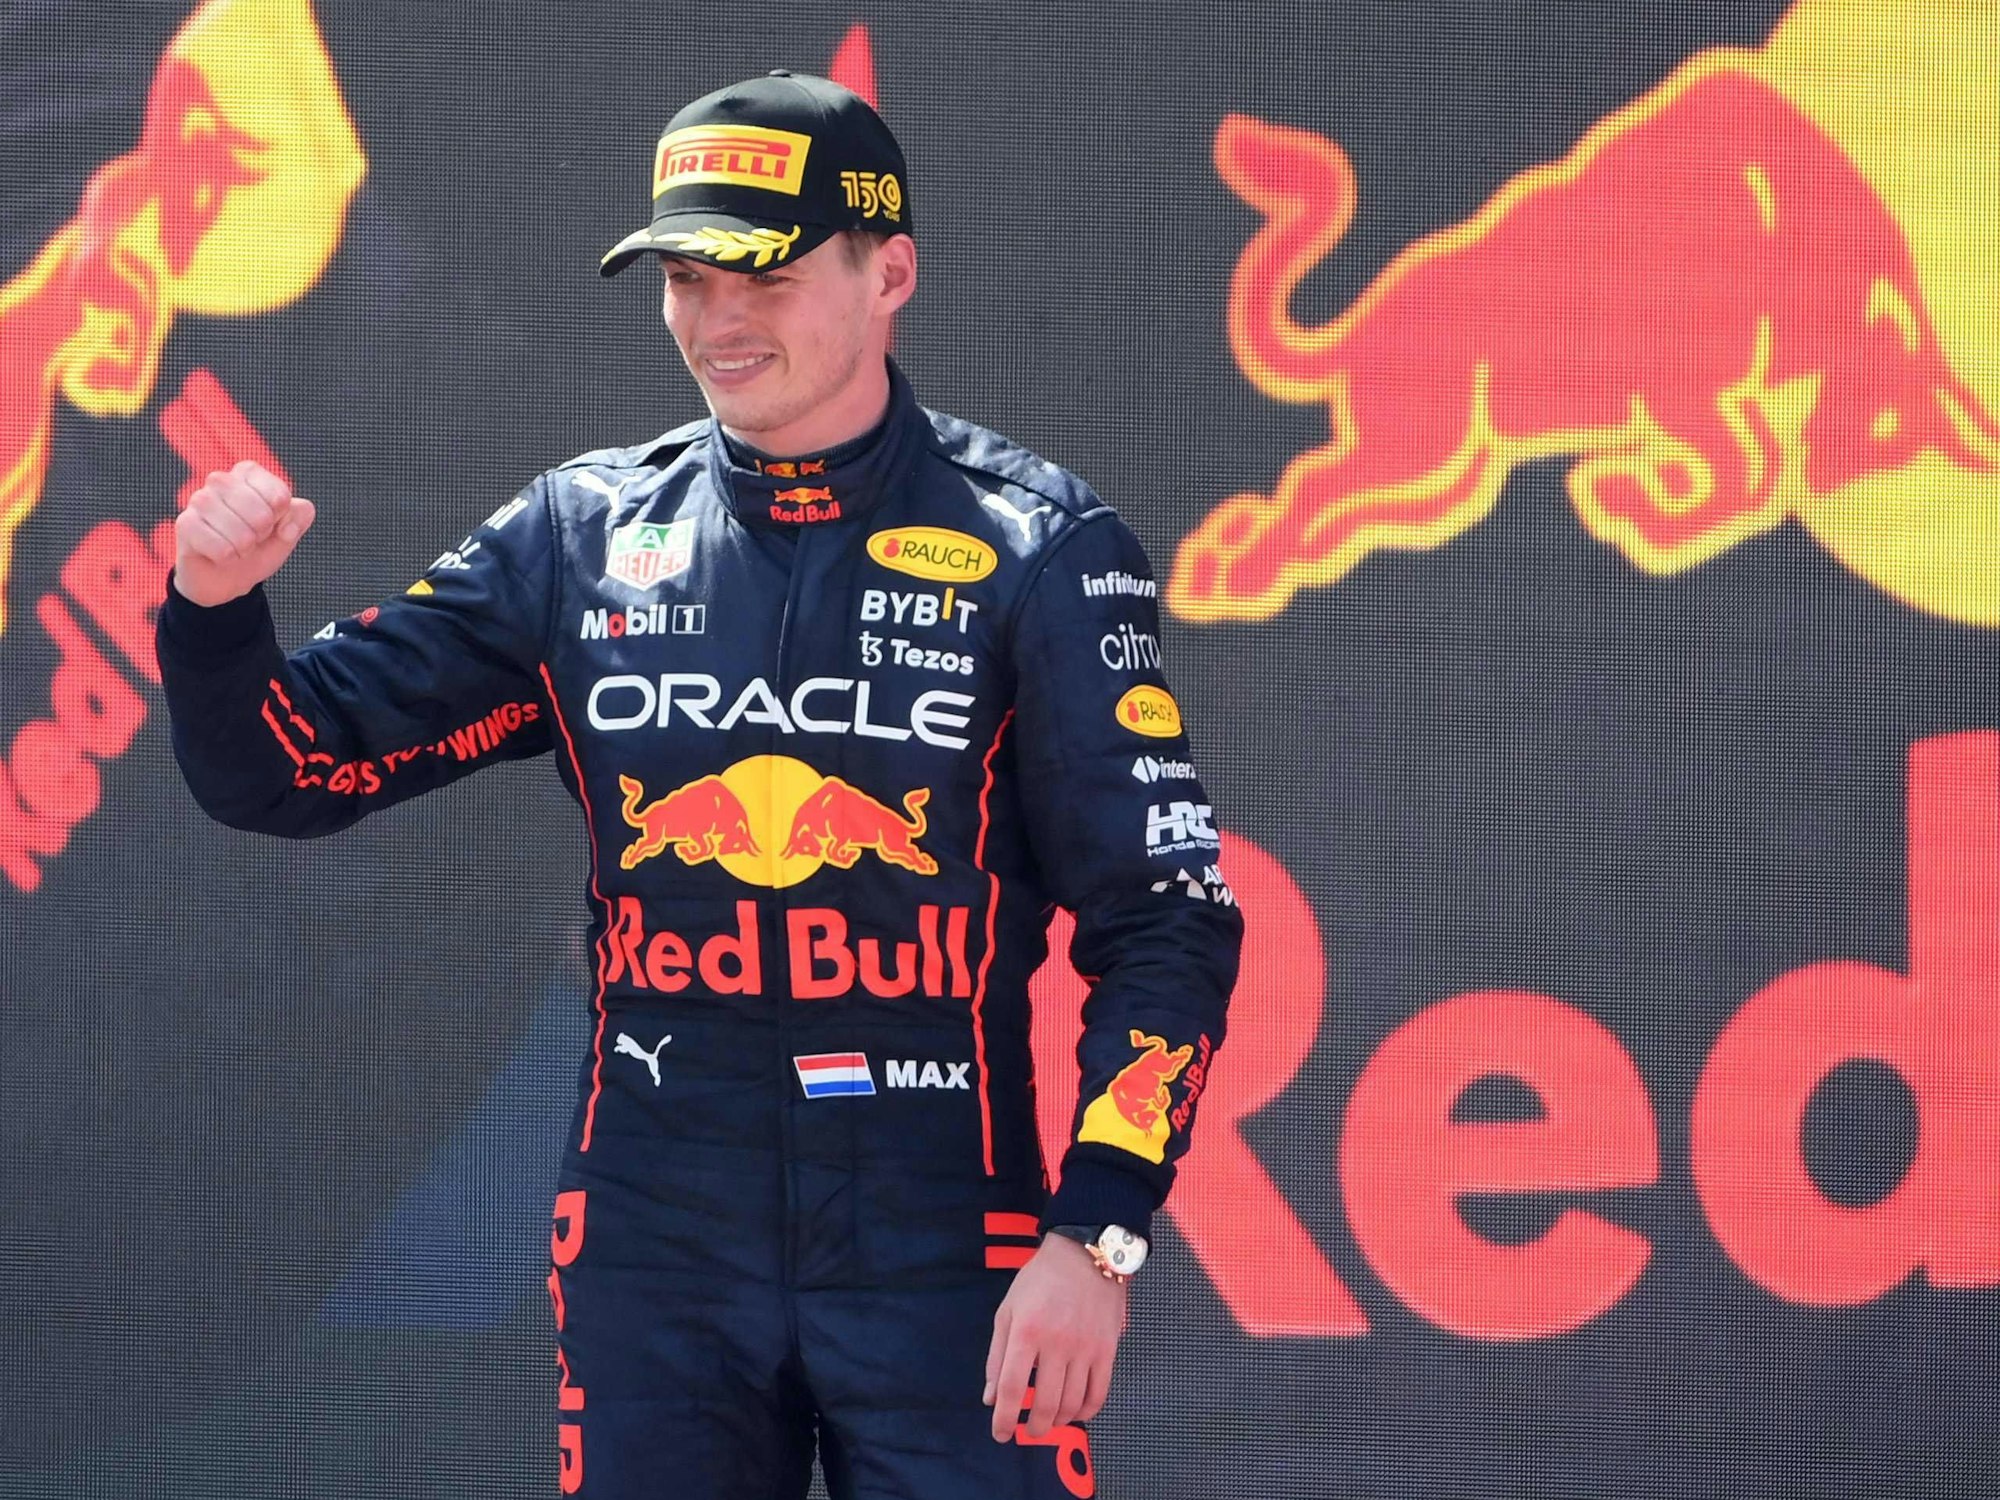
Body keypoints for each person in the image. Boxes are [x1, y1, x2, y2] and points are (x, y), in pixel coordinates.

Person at [157, 69, 1241, 1500]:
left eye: (766, 274)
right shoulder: (577, 537)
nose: (718, 318)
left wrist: (1096, 1235)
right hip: (655, 1243)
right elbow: (282, 769)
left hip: (944, 1243)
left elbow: (1167, 916)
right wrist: (213, 607)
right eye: (683, 276)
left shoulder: (1040, 547)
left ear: (889, 269)